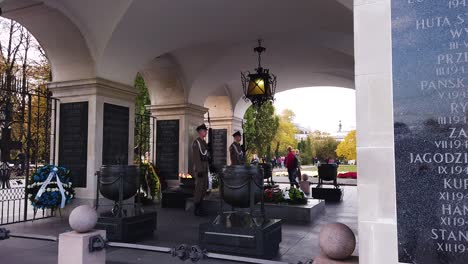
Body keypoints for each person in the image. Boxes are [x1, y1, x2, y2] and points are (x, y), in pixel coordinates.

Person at [192, 124, 210, 216]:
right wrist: (199, 170)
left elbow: (206, 155)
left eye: (206, 131)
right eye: (204, 131)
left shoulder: (204, 143)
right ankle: (197, 208)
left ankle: (201, 206)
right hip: (200, 169)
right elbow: (196, 157)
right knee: (199, 189)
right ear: (200, 132)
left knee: (204, 188)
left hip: (205, 167)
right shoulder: (197, 143)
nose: (206, 132)